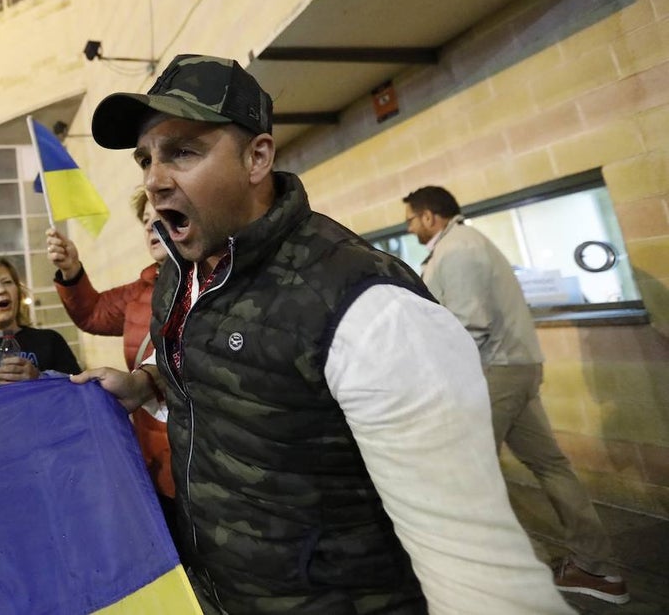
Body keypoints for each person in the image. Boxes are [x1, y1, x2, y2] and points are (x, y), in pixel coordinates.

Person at [72, 54, 572, 614]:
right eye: (145, 159)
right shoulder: (181, 275)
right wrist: (147, 382)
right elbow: (224, 366)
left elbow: (483, 582)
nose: (155, 180)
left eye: (183, 151)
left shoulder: (370, 309)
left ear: (258, 157)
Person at [403, 185, 628, 605]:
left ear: (430, 216)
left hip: (494, 370)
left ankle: (523, 575)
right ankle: (598, 568)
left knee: (466, 472)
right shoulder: (462, 244)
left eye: (411, 219)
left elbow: (470, 322)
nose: (411, 226)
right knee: (550, 465)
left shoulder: (459, 248)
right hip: (514, 365)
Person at [46, 187, 175, 530]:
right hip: (157, 458)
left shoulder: (216, 281)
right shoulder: (140, 290)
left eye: (158, 217)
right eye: (145, 221)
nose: (150, 227)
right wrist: (72, 272)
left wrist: (143, 382)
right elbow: (93, 313)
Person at [0, 256, 81, 387]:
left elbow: (76, 391)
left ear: (19, 294)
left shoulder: (49, 341)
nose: (1, 290)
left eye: (7, 282)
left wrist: (39, 378)